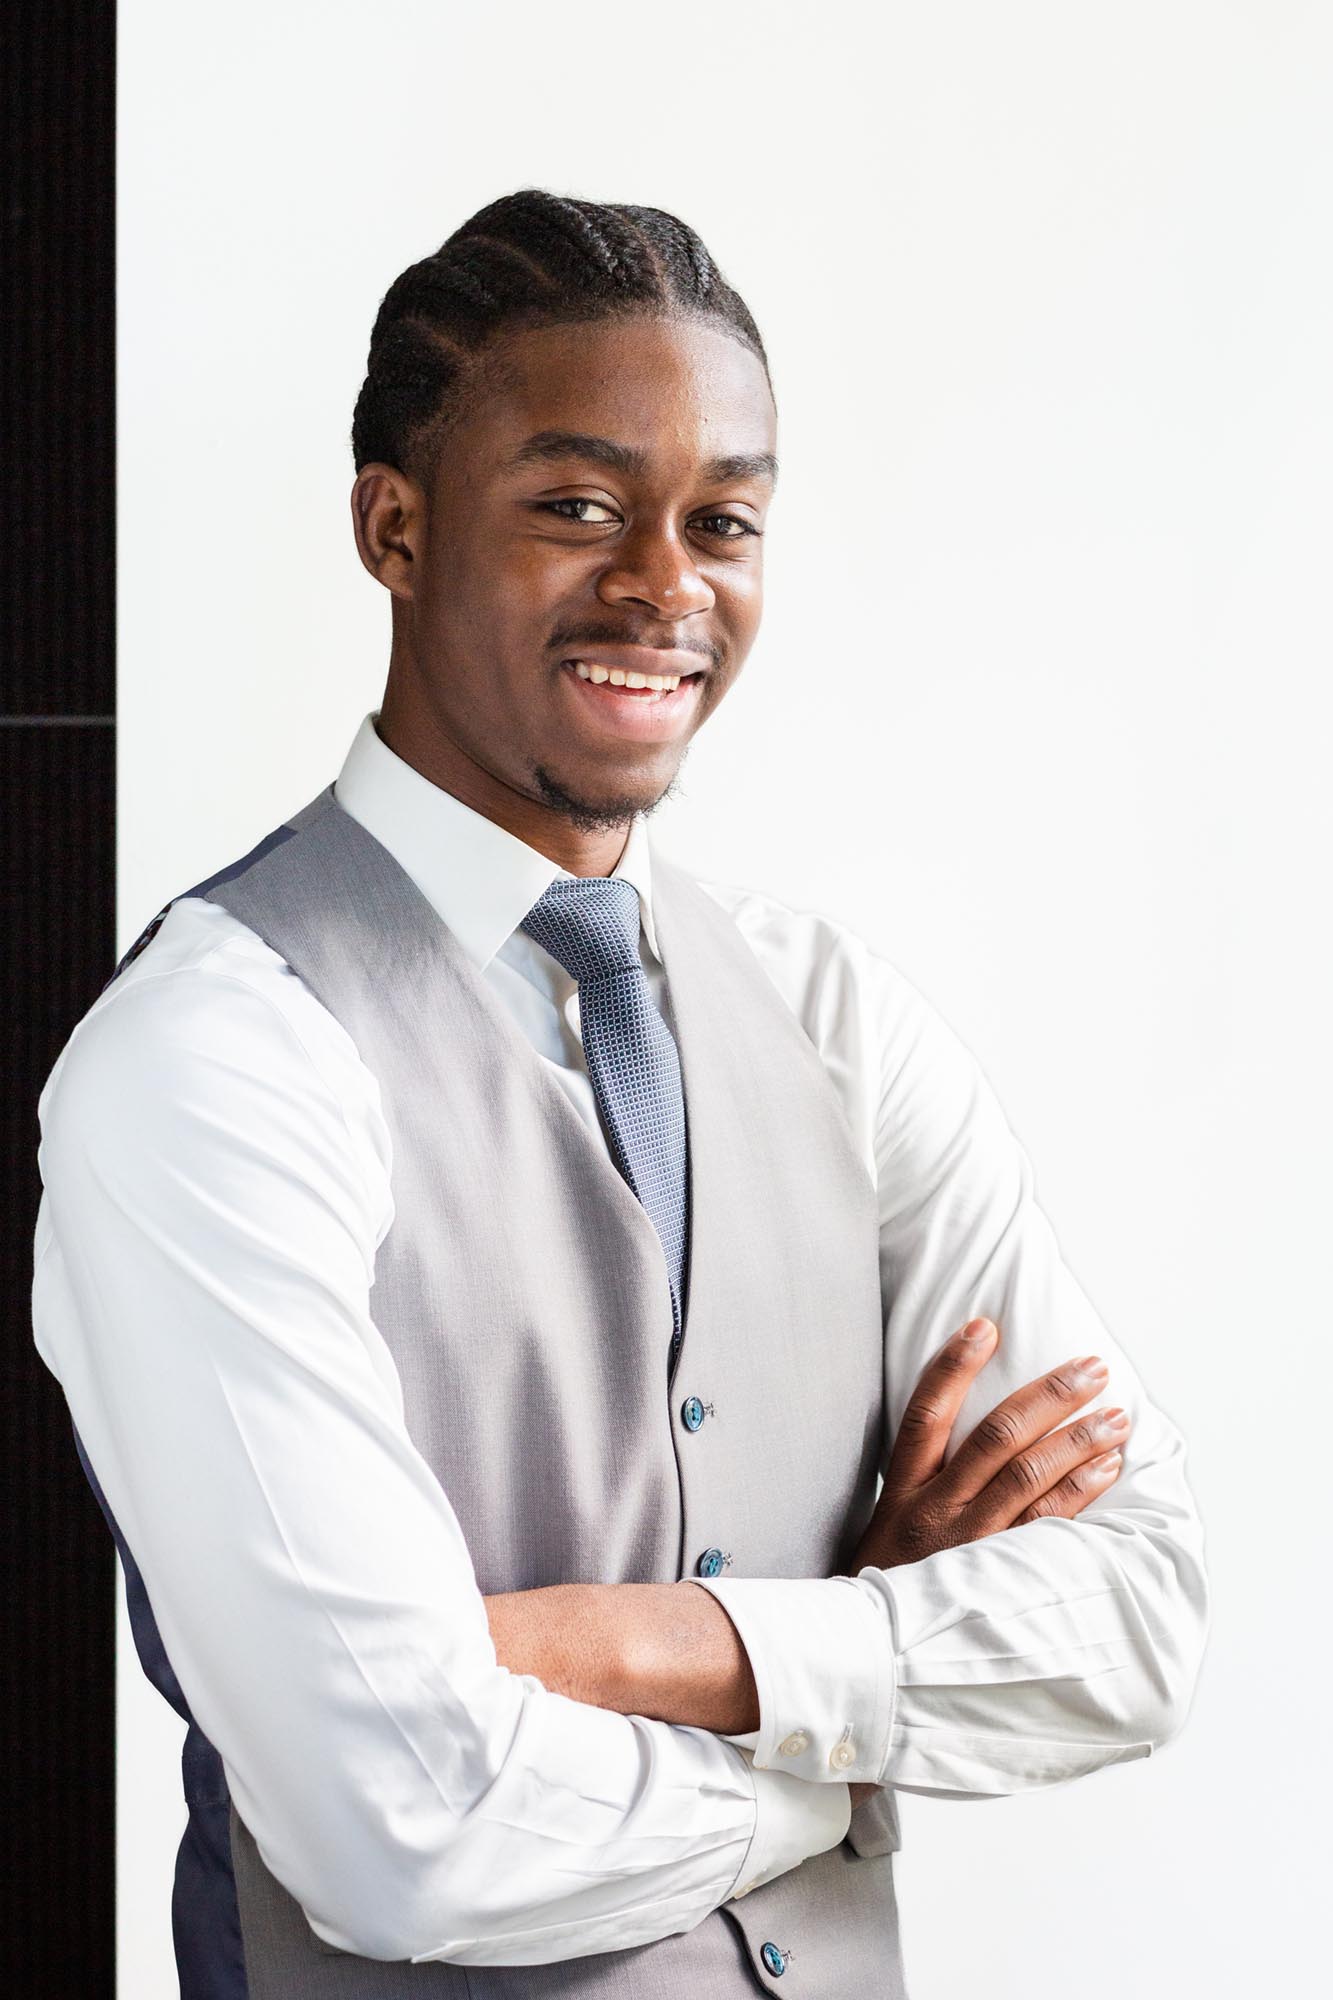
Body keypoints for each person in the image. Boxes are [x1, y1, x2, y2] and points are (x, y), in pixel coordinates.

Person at [32, 189, 1209, 1998]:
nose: (667, 585)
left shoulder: (832, 1017)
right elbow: (402, 1829)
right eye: (578, 506)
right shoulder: (209, 1064)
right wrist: (860, 1723)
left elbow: (1133, 1623)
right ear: (395, 525)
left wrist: (658, 1648)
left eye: (721, 520)